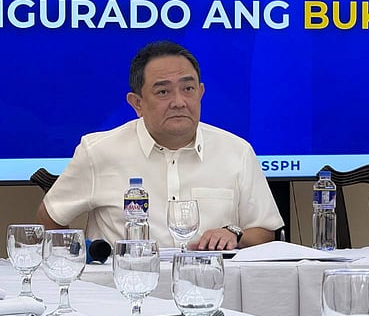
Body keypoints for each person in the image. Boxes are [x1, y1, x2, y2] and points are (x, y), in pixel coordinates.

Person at [36, 41, 284, 249]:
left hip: (211, 284)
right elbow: (51, 217)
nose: (179, 102)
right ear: (137, 103)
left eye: (188, 89)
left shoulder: (237, 152)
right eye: (163, 92)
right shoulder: (98, 151)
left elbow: (265, 231)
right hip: (122, 287)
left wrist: (233, 234)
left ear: (200, 93)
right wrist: (74, 265)